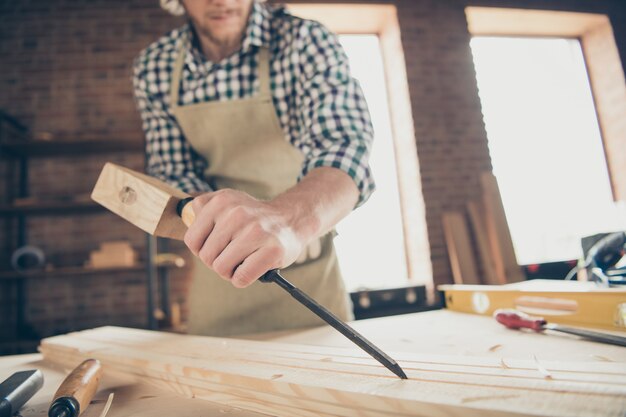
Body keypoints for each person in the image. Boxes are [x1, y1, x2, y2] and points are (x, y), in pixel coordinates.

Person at [132, 0, 375, 337]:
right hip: (220, 276)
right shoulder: (155, 66)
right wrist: (221, 222)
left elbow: (345, 150)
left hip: (310, 274)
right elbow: (174, 172)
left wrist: (285, 222)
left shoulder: (305, 42)